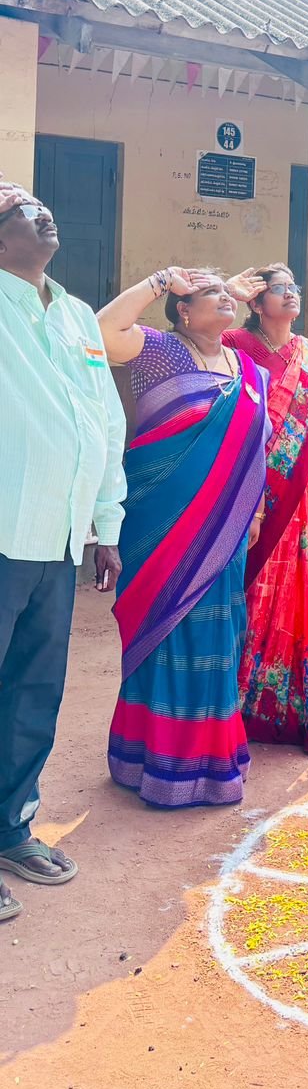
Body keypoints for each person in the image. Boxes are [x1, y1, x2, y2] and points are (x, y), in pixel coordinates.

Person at [0, 176, 126, 926]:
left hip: (56, 539)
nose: (39, 213)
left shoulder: (77, 314)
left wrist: (105, 525)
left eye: (42, 206)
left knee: (34, 693)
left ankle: (11, 830)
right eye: (17, 210)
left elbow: (104, 422)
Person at [97, 268, 269, 808]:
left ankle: (212, 763)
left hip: (226, 530)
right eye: (207, 295)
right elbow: (101, 329)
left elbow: (253, 447)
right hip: (163, 529)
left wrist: (255, 505)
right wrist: (161, 281)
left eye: (226, 294)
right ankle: (151, 761)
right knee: (167, 632)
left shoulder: (248, 367)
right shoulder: (161, 352)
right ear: (183, 311)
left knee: (220, 637)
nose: (223, 299)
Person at [220, 264, 308, 753]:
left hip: (304, 490)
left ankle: (290, 707)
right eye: (280, 289)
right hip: (248, 490)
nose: (292, 295)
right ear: (256, 302)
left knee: (296, 595)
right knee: (247, 592)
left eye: (295, 287)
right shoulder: (234, 345)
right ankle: (232, 706)